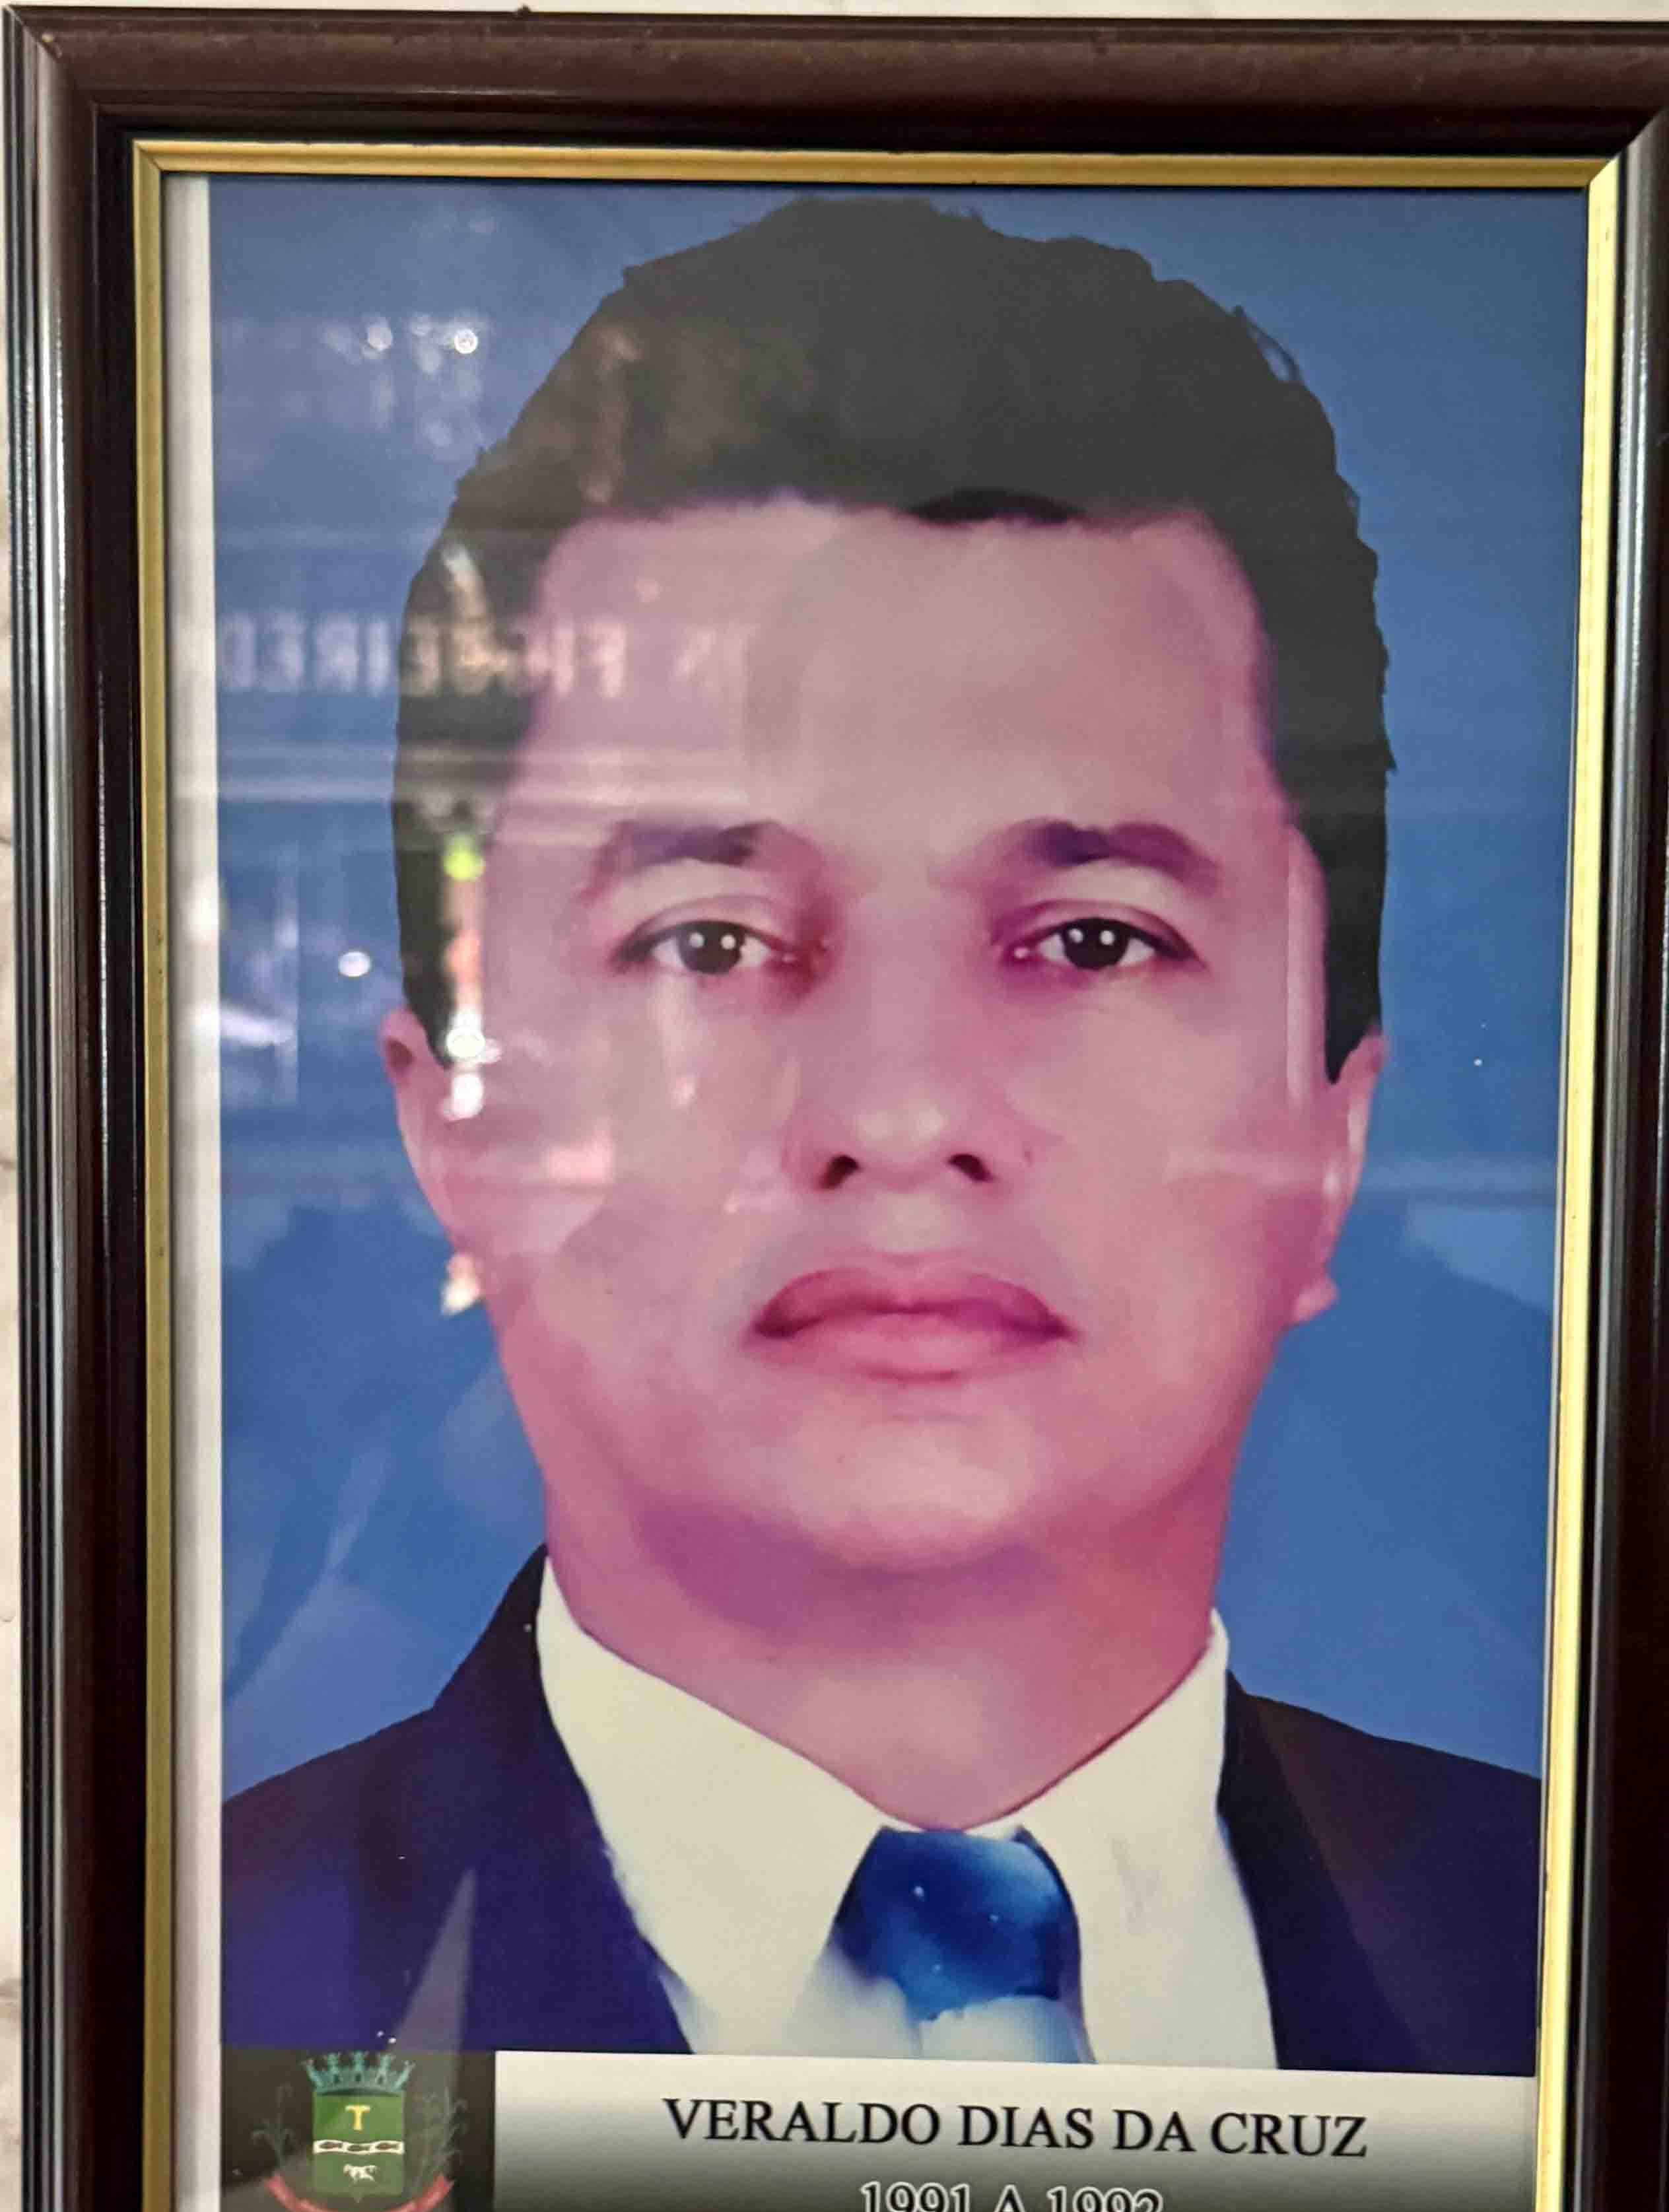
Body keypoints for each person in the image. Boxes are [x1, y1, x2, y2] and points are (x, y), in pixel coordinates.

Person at [223, 197, 1539, 2072]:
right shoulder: (175, 2005)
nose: (903, 1116)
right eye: (707, 940)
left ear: (1339, 1133)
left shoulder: (1579, 1965)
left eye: (1095, 939)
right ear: (449, 1124)